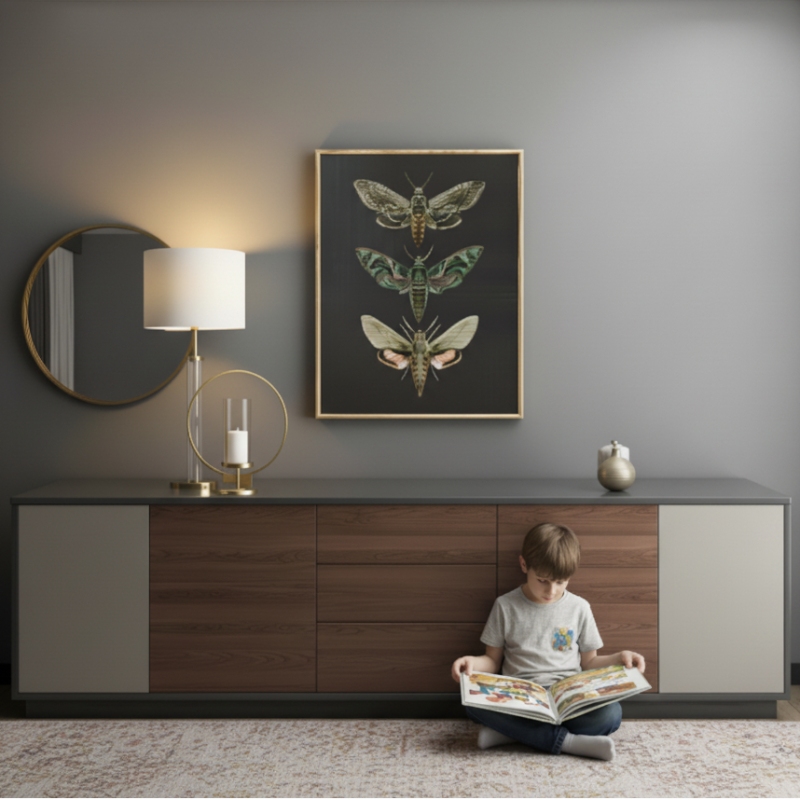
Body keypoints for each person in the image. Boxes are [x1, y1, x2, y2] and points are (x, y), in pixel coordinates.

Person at [451, 522, 646, 761]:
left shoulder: (579, 608)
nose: (551, 590)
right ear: (524, 565)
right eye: (543, 580)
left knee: (611, 715)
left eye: (561, 582)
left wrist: (620, 658)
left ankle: (512, 735)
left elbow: (590, 662)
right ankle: (570, 742)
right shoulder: (505, 606)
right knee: (473, 705)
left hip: (568, 698)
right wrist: (470, 663)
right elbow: (492, 661)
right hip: (520, 699)